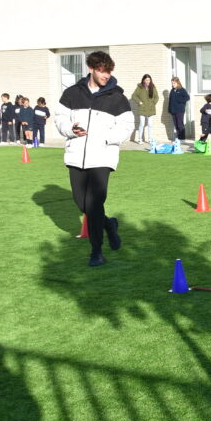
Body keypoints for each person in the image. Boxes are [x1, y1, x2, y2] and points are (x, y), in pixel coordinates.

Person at [54, 51, 132, 267]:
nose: (106, 75)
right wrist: (70, 129)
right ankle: (109, 226)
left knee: (94, 203)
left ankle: (96, 252)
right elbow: (59, 118)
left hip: (103, 156)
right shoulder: (71, 93)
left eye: (108, 71)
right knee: (82, 204)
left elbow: (127, 126)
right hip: (75, 154)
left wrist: (107, 138)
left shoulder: (117, 97)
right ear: (91, 69)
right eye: (101, 70)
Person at [130, 74, 159, 143]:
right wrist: (139, 102)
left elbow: (156, 97)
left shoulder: (153, 87)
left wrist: (153, 103)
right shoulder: (139, 87)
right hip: (142, 109)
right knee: (142, 124)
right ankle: (140, 139)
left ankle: (150, 139)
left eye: (149, 80)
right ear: (143, 80)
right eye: (146, 80)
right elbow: (133, 96)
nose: (148, 81)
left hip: (150, 109)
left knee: (150, 125)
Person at [167, 77, 190, 141]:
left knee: (180, 124)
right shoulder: (172, 90)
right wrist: (169, 109)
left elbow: (187, 98)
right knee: (176, 125)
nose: (173, 85)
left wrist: (179, 100)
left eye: (174, 83)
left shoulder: (182, 90)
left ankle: (182, 138)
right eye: (172, 83)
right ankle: (179, 138)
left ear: (177, 83)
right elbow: (170, 101)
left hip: (180, 110)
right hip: (173, 110)